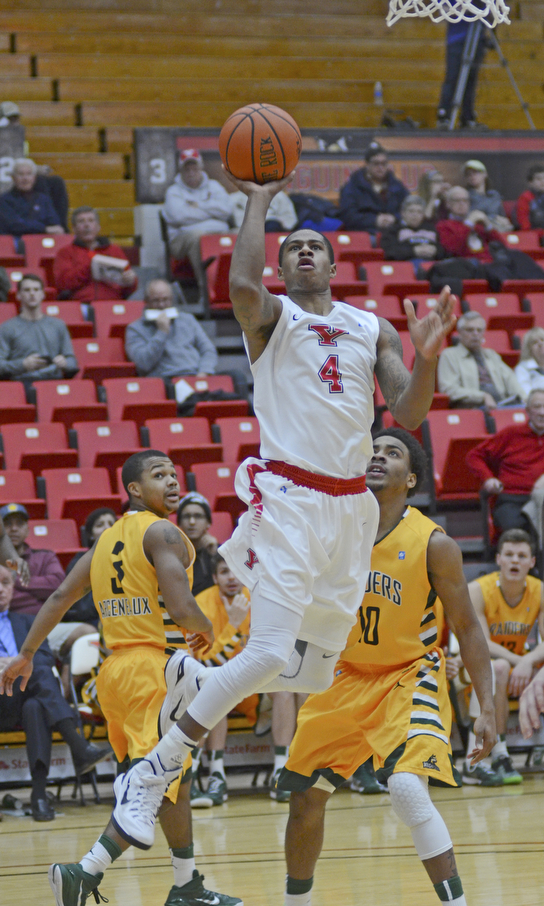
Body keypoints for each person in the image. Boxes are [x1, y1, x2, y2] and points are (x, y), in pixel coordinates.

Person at [58, 163, 459, 852]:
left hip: (349, 510)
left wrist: (426, 359)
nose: (305, 252)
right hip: (290, 494)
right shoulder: (275, 316)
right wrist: (259, 201)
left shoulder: (371, 327)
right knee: (272, 649)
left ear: (335, 261)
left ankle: (196, 680)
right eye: (292, 248)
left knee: (309, 665)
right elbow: (242, 288)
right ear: (283, 264)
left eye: (314, 246)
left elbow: (410, 411)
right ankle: (156, 770)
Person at [0, 449, 241, 906]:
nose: (172, 481)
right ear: (134, 488)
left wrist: (27, 654)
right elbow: (182, 607)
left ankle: (186, 885)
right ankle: (84, 871)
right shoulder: (163, 532)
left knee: (177, 778)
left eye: (174, 474)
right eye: (158, 475)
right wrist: (207, 628)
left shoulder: (104, 541)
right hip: (153, 671)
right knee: (152, 782)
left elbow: (57, 598)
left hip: (116, 675)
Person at [275, 429, 495, 906]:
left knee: (405, 789)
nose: (377, 456)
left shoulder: (434, 543)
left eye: (391, 453)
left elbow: (470, 630)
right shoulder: (334, 531)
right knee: (305, 797)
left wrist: (488, 707)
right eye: (372, 451)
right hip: (345, 676)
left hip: (407, 675)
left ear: (410, 478)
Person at [0, 564, 111, 821]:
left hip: (21, 698)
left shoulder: (28, 622)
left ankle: (39, 796)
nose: (0, 589)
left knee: (36, 699)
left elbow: (47, 660)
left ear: (13, 588)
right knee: (35, 673)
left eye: (5, 582)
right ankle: (78, 746)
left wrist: (13, 663)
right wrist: (14, 662)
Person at [191, 554, 299, 807]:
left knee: (284, 690)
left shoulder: (259, 598)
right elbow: (206, 660)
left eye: (236, 571)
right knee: (214, 688)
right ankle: (216, 775)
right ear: (215, 577)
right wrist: (235, 625)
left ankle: (281, 771)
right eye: (225, 572)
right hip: (220, 679)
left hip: (253, 683)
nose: (232, 578)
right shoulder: (201, 604)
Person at [467, 528, 544, 785]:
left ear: (532, 562)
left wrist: (528, 661)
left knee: (503, 667)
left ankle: (505, 753)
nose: (515, 561)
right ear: (498, 559)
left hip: (514, 666)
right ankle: (493, 753)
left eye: (522, 556)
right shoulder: (478, 590)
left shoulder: (540, 590)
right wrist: (520, 660)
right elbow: (480, 644)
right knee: (497, 666)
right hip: (475, 665)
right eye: (509, 554)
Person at [1, 502, 96, 694]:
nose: (13, 528)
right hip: (10, 628)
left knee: (87, 632)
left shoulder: (44, 556)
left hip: (44, 625)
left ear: (28, 528)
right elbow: (46, 590)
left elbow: (58, 588)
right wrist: (38, 588)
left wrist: (13, 581)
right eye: (7, 524)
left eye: (19, 523)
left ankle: (64, 692)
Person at [466, 388, 544, 533]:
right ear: (527, 410)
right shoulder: (511, 434)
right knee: (515, 530)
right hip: (511, 499)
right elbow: (474, 456)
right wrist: (488, 479)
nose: (542, 412)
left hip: (541, 500)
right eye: (537, 407)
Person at [162, 149, 234, 304]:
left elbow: (226, 210)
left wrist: (197, 206)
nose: (191, 173)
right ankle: (206, 292)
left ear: (201, 168)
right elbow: (179, 216)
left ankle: (240, 287)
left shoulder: (214, 186)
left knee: (240, 233)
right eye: (187, 169)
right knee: (198, 237)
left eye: (194, 168)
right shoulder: (173, 191)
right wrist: (211, 212)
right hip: (181, 241)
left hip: (215, 233)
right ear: (181, 171)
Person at [436, 187, 544, 288]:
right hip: (471, 266)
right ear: (448, 204)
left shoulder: (478, 225)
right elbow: (454, 248)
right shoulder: (444, 225)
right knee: (500, 271)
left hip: (492, 263)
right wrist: (468, 224)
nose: (462, 204)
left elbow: (502, 246)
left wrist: (488, 226)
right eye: (457, 200)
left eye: (465, 200)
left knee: (518, 256)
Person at [125, 278, 218, 379]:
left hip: (195, 375)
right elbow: (143, 364)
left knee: (235, 375)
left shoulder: (187, 319)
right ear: (146, 301)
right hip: (165, 378)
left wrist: (204, 371)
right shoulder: (135, 329)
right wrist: (161, 333)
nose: (161, 305)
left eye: (165, 300)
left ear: (172, 299)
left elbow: (208, 350)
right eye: (156, 300)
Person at [0, 273, 78, 382]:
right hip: (23, 382)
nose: (32, 294)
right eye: (27, 290)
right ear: (18, 295)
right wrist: (23, 364)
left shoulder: (58, 325)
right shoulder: (7, 328)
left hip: (53, 381)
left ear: (43, 294)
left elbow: (72, 361)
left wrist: (65, 363)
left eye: (36, 290)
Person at [437, 311, 524, 409]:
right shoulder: (450, 355)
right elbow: (448, 389)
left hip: (502, 405)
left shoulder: (491, 355)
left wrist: (528, 400)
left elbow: (511, 381)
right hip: (472, 408)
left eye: (479, 330)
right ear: (459, 333)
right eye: (470, 330)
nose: (475, 334)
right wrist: (482, 396)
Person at [53, 206, 137, 304]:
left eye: (91, 221)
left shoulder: (114, 250)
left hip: (112, 303)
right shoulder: (65, 252)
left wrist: (131, 281)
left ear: (98, 227)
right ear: (74, 228)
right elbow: (62, 283)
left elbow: (129, 286)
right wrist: (90, 267)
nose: (86, 225)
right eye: (81, 221)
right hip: (81, 305)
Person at [338, 141, 409, 235]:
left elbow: (410, 208)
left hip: (394, 233)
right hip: (364, 233)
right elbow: (348, 216)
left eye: (384, 164)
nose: (380, 168)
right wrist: (374, 220)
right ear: (367, 165)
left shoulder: (397, 186)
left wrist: (395, 218)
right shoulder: (352, 187)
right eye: (376, 164)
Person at [64, 508, 118, 627]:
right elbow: (80, 608)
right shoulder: (79, 563)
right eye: (99, 525)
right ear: (90, 535)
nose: (107, 528)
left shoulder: (131, 558)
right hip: (91, 623)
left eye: (111, 524)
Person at [436, 20, 488, 129]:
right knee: (453, 76)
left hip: (477, 36)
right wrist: (469, 8)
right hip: (456, 38)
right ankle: (444, 115)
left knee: (471, 79)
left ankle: (467, 117)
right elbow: (445, 9)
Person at [0, 158, 64, 236]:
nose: (25, 178)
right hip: (15, 243)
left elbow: (54, 222)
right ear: (13, 177)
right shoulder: (4, 200)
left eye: (29, 174)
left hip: (42, 242)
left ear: (34, 178)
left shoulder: (43, 199)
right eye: (21, 174)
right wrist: (44, 229)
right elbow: (14, 225)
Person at [379, 195, 445, 263]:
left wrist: (435, 251)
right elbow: (390, 253)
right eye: (411, 211)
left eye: (419, 212)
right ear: (403, 213)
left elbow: (443, 252)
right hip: (406, 265)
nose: (415, 215)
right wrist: (414, 251)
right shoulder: (393, 230)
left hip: (431, 263)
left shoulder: (431, 229)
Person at [176, 493, 218, 597]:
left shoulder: (222, 552)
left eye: (198, 516)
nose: (192, 522)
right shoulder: (172, 554)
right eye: (186, 516)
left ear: (208, 522)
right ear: (179, 523)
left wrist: (215, 556)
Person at [462, 160, 512, 232]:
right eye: (468, 174)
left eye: (475, 172)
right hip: (478, 230)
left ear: (485, 174)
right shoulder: (465, 195)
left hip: (498, 229)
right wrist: (493, 218)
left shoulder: (495, 195)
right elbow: (468, 217)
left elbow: (501, 215)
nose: (472, 176)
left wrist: (504, 220)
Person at [230, 188, 297, 233]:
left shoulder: (278, 195)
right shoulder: (235, 198)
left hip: (272, 232)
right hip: (244, 234)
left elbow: (290, 221)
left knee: (271, 225)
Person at [515, 326, 544, 398]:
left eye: (543, 340)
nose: (540, 344)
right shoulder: (522, 369)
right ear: (529, 349)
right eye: (534, 343)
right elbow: (526, 395)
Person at [515, 163, 544, 233]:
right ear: (530, 182)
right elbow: (524, 226)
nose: (543, 181)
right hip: (534, 237)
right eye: (538, 179)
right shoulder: (525, 198)